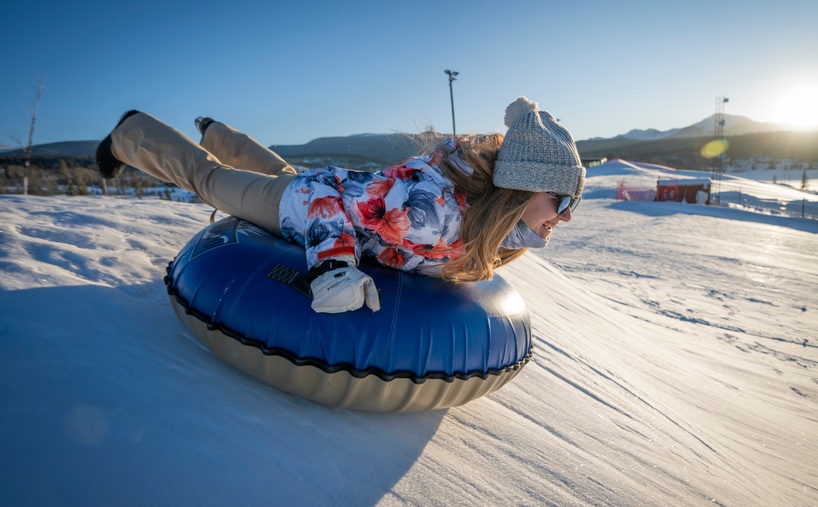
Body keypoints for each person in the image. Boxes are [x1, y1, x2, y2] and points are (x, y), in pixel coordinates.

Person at [95, 97, 586, 314]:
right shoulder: (432, 210)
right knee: (209, 181)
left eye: (575, 205)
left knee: (287, 173)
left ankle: (215, 131)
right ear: (521, 189)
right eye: (561, 200)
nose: (565, 216)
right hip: (301, 206)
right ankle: (130, 132)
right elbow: (330, 201)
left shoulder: (486, 225)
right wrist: (332, 267)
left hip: (317, 187)